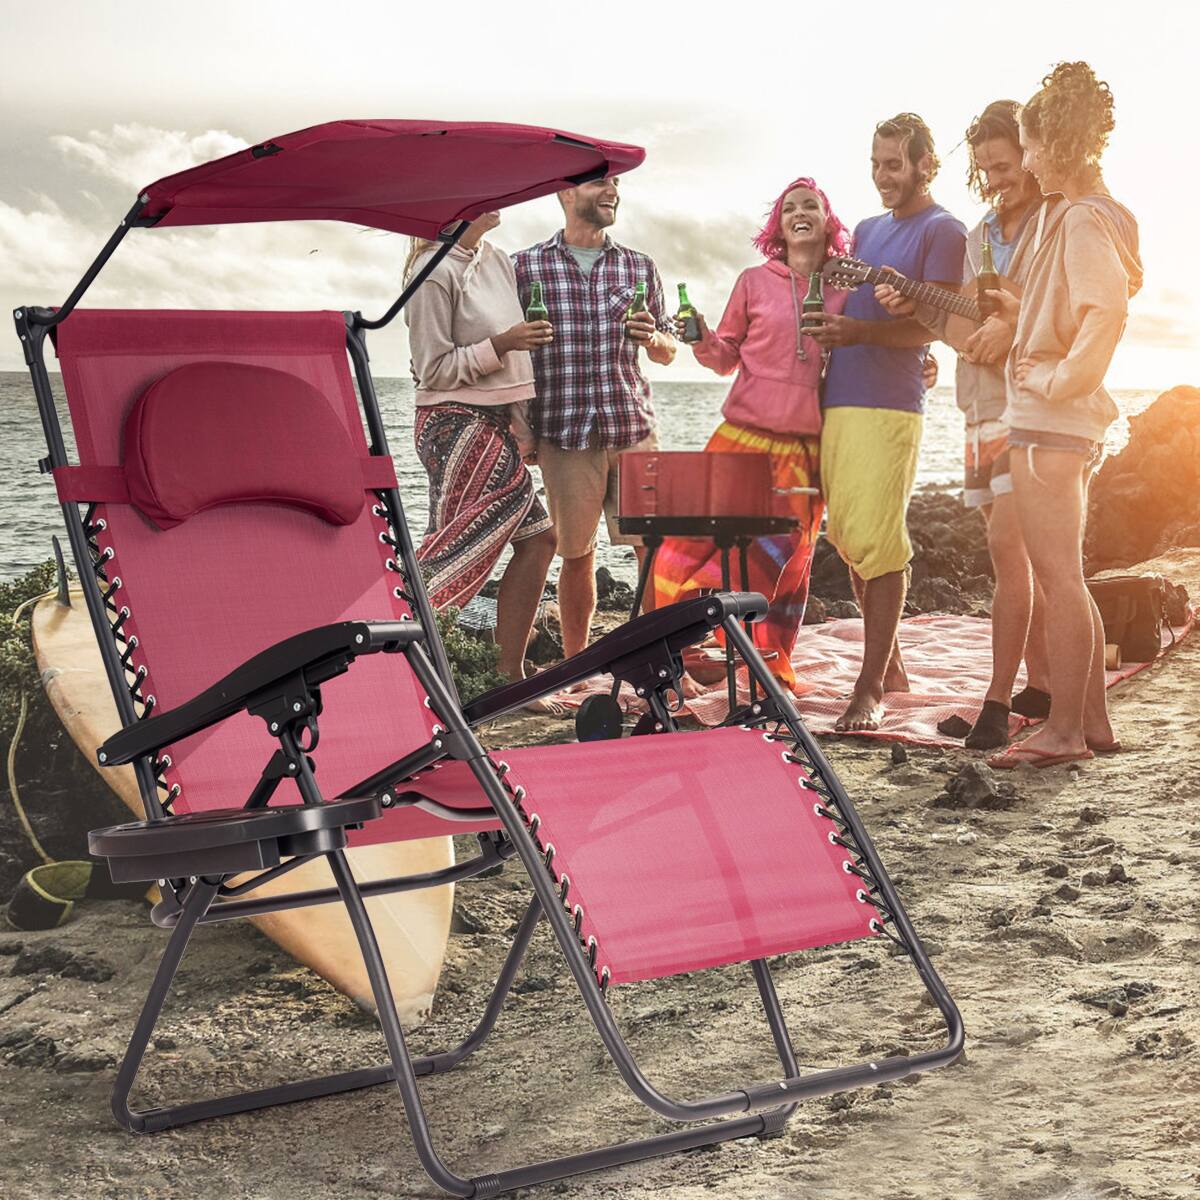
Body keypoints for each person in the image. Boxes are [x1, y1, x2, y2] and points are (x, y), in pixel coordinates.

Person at [877, 101, 1062, 749]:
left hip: (1037, 410)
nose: (995, 180)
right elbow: (964, 333)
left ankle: (994, 701)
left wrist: (1011, 327)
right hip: (981, 413)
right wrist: (922, 308)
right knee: (1014, 553)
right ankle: (1038, 687)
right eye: (984, 170)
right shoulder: (980, 234)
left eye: (1004, 166)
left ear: (1031, 158)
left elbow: (1061, 313)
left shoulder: (1053, 224)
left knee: (1012, 550)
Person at [985, 62, 1142, 769]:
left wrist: (1051, 375)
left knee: (1057, 580)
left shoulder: (1080, 217)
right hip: (1063, 420)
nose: (1028, 160)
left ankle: (1064, 732)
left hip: (1053, 421)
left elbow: (1104, 312)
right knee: (1068, 574)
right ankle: (1096, 724)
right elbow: (1077, 304)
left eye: (1031, 146)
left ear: (1058, 144)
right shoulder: (1095, 214)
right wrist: (1031, 326)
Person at [651, 177, 851, 694]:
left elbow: (868, 357)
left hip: (805, 452)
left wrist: (919, 365)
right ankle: (675, 656)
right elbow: (724, 357)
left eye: (811, 205)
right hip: (740, 439)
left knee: (782, 562)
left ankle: (764, 665)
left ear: (828, 221)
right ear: (778, 227)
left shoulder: (847, 288)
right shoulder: (752, 281)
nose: (800, 213)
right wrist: (699, 335)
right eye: (790, 209)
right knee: (684, 548)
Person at [807, 113, 967, 731]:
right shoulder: (867, 230)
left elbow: (933, 325)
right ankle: (892, 662)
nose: (882, 176)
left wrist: (862, 333)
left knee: (879, 538)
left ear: (926, 163)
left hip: (890, 403)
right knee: (847, 534)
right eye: (876, 163)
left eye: (894, 164)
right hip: (838, 398)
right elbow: (835, 299)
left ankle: (869, 686)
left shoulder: (944, 229)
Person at [513, 176, 676, 659]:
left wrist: (653, 339)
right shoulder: (524, 267)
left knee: (650, 552)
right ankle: (577, 665)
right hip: (563, 433)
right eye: (599, 183)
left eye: (616, 183)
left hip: (633, 429)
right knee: (576, 555)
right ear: (566, 193)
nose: (612, 191)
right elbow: (512, 351)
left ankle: (659, 657)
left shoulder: (638, 266)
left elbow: (668, 350)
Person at [403, 210, 559, 696]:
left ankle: (503, 673)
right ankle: (399, 641)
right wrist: (504, 342)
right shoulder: (431, 271)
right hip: (452, 422)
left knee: (538, 541)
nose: (503, 199)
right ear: (457, 207)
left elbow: (512, 367)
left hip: (494, 421)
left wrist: (522, 424)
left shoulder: (496, 260)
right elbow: (432, 370)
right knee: (457, 546)